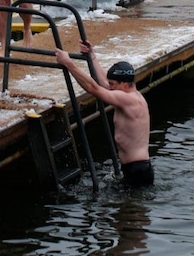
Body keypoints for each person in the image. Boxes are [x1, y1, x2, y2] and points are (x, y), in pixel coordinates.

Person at [54, 40, 154, 188]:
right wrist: (92, 56)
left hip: (138, 170)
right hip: (133, 168)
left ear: (124, 84)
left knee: (130, 210)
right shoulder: (125, 93)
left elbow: (93, 88)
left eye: (113, 85)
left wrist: (69, 63)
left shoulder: (131, 100)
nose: (110, 87)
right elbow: (103, 84)